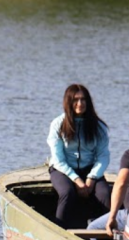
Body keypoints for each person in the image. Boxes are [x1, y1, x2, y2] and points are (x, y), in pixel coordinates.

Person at [47, 84, 111, 228]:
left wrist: (92, 178)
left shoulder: (99, 127)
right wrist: (76, 180)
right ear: (68, 102)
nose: (80, 104)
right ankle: (59, 231)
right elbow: (58, 159)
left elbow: (103, 156)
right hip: (62, 170)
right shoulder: (58, 124)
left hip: (89, 170)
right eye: (76, 100)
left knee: (105, 194)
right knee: (67, 192)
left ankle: (108, 235)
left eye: (83, 100)